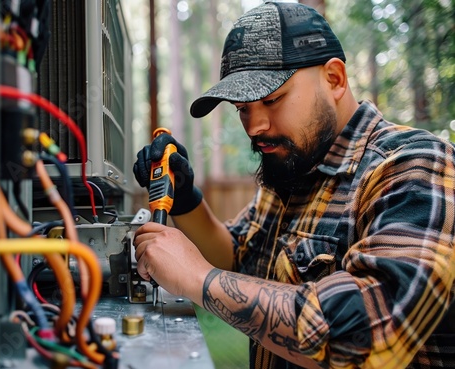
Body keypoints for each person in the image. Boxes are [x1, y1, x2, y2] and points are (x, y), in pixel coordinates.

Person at [132, 2, 455, 368]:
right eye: (242, 108)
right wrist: (187, 200)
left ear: (334, 79)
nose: (254, 127)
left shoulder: (416, 166)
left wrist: (199, 280)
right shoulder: (293, 166)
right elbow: (236, 259)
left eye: (272, 100)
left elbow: (369, 337)